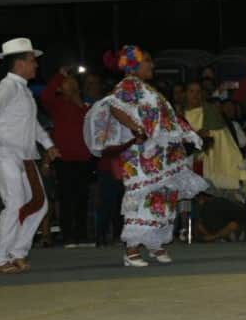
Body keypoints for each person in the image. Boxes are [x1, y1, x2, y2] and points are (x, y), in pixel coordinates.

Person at [83, 45, 209, 267]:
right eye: (147, 60)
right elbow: (114, 107)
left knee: (163, 196)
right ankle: (131, 249)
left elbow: (166, 118)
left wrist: (188, 133)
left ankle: (154, 243)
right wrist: (136, 129)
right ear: (133, 65)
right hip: (142, 156)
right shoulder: (129, 84)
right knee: (142, 195)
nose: (152, 64)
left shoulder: (147, 88)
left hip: (161, 156)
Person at [0, 39, 60, 273]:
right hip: (5, 153)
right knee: (15, 203)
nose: (36, 65)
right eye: (32, 61)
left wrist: (49, 144)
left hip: (24, 156)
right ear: (20, 63)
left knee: (39, 204)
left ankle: (17, 252)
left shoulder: (23, 89)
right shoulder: (7, 87)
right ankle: (1, 257)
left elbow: (32, 124)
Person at [40, 66, 92, 248]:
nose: (70, 85)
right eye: (66, 83)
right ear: (60, 88)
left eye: (72, 82)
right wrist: (58, 76)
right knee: (67, 197)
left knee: (82, 197)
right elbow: (45, 96)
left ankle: (82, 235)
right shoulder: (57, 104)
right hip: (64, 158)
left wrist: (80, 104)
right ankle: (68, 235)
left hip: (83, 158)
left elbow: (91, 125)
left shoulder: (85, 106)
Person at [182, 81, 246, 195]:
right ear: (185, 94)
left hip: (208, 159)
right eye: (191, 91)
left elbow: (220, 138)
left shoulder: (210, 111)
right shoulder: (178, 113)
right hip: (185, 160)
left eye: (198, 92)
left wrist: (203, 136)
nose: (195, 95)